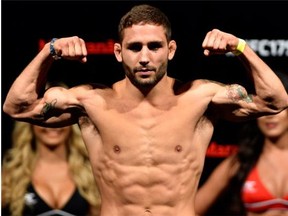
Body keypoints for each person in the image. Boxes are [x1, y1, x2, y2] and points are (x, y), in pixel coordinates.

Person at [2, 4, 288, 216]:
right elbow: (17, 106)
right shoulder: (93, 101)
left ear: (171, 49)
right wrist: (49, 52)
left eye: (154, 46)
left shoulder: (199, 98)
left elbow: (275, 100)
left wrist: (239, 47)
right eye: (135, 47)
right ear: (118, 52)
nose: (144, 58)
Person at [195, 71, 288, 216]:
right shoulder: (241, 161)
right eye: (266, 109)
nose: (270, 117)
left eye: (277, 108)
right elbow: (192, 209)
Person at [2, 83, 101, 216]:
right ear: (30, 124)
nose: (53, 124)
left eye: (59, 116)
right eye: (46, 117)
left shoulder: (92, 174)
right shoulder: (10, 177)